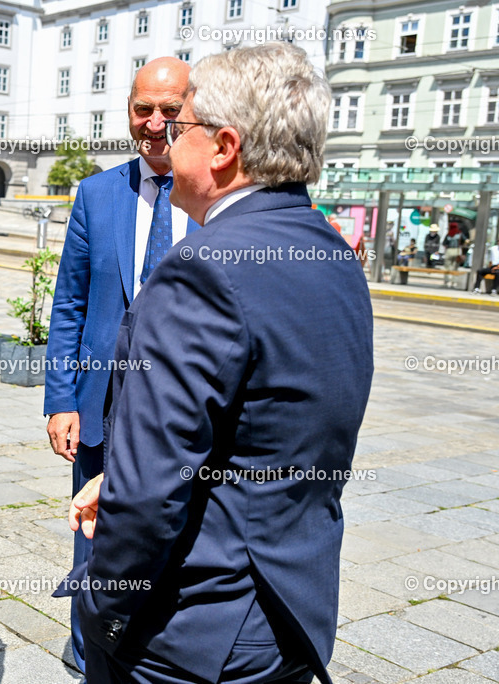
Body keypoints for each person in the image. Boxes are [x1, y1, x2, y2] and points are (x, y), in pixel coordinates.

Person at [69, 43, 374, 684]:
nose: (166, 142)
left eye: (181, 128)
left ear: (224, 147)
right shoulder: (333, 254)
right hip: (292, 613)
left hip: (192, 633)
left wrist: (104, 613)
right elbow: (270, 428)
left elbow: (156, 488)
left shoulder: (202, 267)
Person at [44, 56, 199, 674]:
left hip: (181, 408)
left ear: (194, 114)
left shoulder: (216, 194)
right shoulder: (96, 193)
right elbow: (70, 304)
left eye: (170, 110)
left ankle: (155, 651)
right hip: (101, 407)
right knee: (92, 532)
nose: (155, 123)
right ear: (128, 111)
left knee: (174, 534)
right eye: (144, 109)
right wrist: (60, 398)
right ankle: (91, 655)